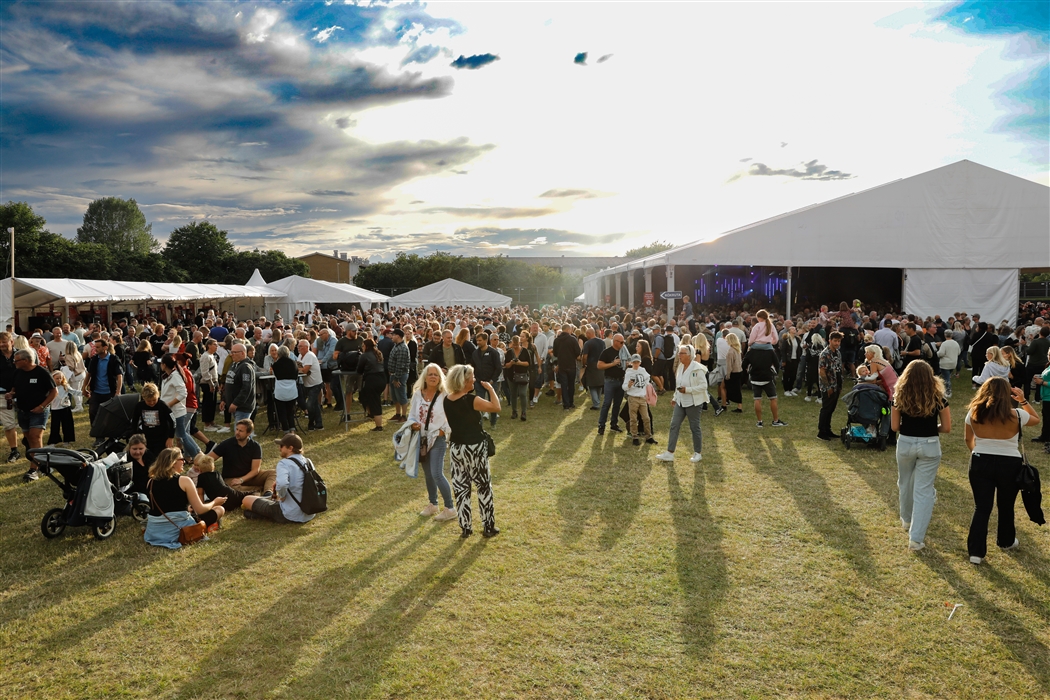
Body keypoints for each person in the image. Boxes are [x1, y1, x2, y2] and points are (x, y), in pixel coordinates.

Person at [964, 377, 1040, 564]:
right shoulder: (1017, 414)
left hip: (981, 460)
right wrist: (1023, 400)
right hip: (1010, 463)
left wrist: (978, 452)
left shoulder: (974, 412)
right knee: (1006, 506)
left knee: (981, 508)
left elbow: (968, 439)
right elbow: (1036, 419)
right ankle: (1005, 541)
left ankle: (976, 552)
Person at [891, 361, 951, 551]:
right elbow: (947, 427)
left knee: (905, 482)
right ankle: (916, 538)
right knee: (924, 490)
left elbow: (894, 427)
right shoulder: (938, 398)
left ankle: (907, 520)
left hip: (906, 442)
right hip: (930, 445)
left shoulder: (899, 396)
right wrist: (931, 428)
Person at [443, 364, 501, 538]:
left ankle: (465, 528)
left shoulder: (447, 399)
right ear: (465, 380)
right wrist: (491, 389)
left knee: (461, 488)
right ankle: (488, 526)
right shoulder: (471, 400)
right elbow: (496, 407)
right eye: (472, 377)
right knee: (483, 487)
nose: (474, 379)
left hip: (456, 447)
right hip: (474, 447)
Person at [144, 447, 226, 549]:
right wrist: (215, 502)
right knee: (219, 509)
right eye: (182, 459)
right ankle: (206, 527)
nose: (185, 462)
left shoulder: (150, 482)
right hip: (179, 529)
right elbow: (200, 510)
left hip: (154, 532)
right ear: (173, 462)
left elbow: (163, 504)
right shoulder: (184, 480)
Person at [410, 363, 456, 522]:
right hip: (421, 440)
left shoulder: (445, 395)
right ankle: (433, 504)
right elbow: (411, 416)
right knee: (428, 474)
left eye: (436, 374)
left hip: (438, 438)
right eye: (430, 374)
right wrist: (413, 424)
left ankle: (450, 508)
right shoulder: (417, 394)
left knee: (436, 473)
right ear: (424, 376)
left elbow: (453, 417)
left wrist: (445, 431)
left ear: (440, 377)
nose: (433, 377)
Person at [240, 433, 317, 523]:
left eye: (282, 446)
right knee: (268, 499)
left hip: (289, 514)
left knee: (246, 500)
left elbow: (283, 484)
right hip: (309, 513)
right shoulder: (308, 461)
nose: (279, 448)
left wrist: (282, 496)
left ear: (290, 448)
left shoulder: (284, 464)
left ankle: (261, 515)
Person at [655, 344, 707, 463]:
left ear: (689, 355)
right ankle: (669, 453)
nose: (679, 355)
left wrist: (688, 390)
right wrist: (675, 397)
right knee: (674, 425)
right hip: (680, 401)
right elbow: (678, 384)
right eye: (679, 353)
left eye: (681, 353)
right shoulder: (680, 367)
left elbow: (704, 386)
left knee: (694, 427)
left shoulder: (697, 368)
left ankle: (697, 453)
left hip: (693, 402)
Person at [11, 349, 57, 481]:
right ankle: (45, 464)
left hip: (39, 411)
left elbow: (54, 392)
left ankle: (33, 470)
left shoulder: (42, 372)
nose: (14, 363)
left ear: (26, 360)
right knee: (29, 441)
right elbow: (14, 388)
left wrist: (42, 406)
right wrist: (11, 394)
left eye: (16, 360)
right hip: (22, 411)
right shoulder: (17, 372)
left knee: (35, 437)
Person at [208, 419, 275, 495]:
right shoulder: (226, 444)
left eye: (241, 431)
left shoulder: (255, 446)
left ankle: (268, 493)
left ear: (248, 433)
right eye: (236, 429)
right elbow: (208, 459)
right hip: (231, 479)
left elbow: (255, 470)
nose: (237, 432)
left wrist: (242, 479)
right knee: (232, 488)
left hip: (249, 477)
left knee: (273, 473)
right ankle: (257, 489)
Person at [742, 334, 786, 428]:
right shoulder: (770, 351)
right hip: (767, 377)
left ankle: (759, 421)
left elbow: (744, 364)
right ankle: (775, 420)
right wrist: (775, 373)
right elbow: (777, 363)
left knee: (757, 399)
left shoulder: (751, 351)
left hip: (754, 377)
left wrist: (748, 370)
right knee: (773, 398)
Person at [159, 354, 197, 458]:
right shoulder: (168, 375)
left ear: (165, 365)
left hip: (176, 412)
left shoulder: (175, 376)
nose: (160, 365)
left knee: (182, 437)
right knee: (182, 436)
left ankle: (197, 456)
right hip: (171, 412)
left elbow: (183, 393)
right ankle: (197, 455)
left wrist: (168, 404)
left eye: (161, 363)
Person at [83, 338, 124, 427]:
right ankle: (98, 436)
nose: (95, 349)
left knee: (111, 415)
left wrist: (118, 392)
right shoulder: (94, 359)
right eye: (94, 347)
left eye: (97, 347)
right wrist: (84, 388)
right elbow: (88, 374)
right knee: (93, 412)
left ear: (105, 347)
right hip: (96, 392)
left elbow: (119, 376)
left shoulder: (113, 359)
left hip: (109, 392)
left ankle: (111, 435)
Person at [219, 343, 256, 431]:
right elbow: (229, 384)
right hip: (235, 405)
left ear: (243, 353)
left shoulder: (246, 367)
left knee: (241, 434)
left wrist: (236, 403)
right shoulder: (234, 365)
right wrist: (224, 399)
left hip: (242, 407)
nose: (232, 355)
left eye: (234, 352)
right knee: (241, 433)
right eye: (231, 352)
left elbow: (246, 388)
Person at [597, 333, 628, 435]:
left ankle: (614, 424)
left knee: (617, 404)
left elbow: (629, 360)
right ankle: (601, 425)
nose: (623, 344)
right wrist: (612, 364)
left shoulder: (624, 351)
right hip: (610, 380)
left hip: (621, 380)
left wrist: (628, 365)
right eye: (621, 342)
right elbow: (599, 365)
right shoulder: (607, 352)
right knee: (607, 403)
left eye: (624, 342)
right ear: (615, 342)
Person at [817, 332, 845, 441]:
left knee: (832, 408)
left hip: (836, 384)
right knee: (826, 408)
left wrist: (840, 384)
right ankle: (821, 431)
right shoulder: (825, 354)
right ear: (830, 341)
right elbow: (822, 371)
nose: (837, 343)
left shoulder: (838, 353)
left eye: (838, 341)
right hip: (828, 385)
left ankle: (827, 429)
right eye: (835, 341)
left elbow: (839, 369)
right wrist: (827, 387)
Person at [622, 354, 655, 445]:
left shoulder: (643, 370)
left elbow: (648, 378)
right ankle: (634, 436)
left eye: (637, 362)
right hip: (633, 398)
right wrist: (628, 385)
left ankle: (648, 436)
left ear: (640, 362)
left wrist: (647, 385)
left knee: (646, 418)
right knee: (633, 418)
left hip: (642, 397)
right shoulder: (629, 372)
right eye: (634, 362)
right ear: (631, 363)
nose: (636, 364)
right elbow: (624, 387)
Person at [357, 338, 387, 431]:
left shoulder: (364, 356)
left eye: (363, 346)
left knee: (375, 402)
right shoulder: (378, 353)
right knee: (369, 397)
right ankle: (371, 414)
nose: (362, 347)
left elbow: (359, 370)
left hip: (372, 379)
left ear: (366, 346)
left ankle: (379, 426)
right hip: (382, 378)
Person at [296, 339, 324, 431]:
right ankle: (319, 424)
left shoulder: (310, 356)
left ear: (306, 347)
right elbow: (299, 367)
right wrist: (299, 369)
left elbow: (304, 370)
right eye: (298, 346)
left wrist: (299, 369)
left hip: (315, 383)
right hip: (307, 384)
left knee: (310, 404)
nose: (298, 348)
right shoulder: (300, 356)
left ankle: (311, 423)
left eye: (300, 346)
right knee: (314, 404)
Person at [271, 345, 299, 433]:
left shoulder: (276, 365)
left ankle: (285, 429)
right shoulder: (293, 363)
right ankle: (292, 429)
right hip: (292, 389)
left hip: (280, 390)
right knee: (291, 411)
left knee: (281, 411)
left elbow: (275, 375)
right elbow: (296, 376)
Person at [503, 335, 532, 421]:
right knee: (513, 394)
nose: (515, 346)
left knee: (523, 394)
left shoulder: (525, 351)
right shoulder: (509, 352)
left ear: (520, 343)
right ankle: (514, 411)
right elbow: (506, 365)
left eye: (517, 344)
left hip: (523, 375)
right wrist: (511, 363)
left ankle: (523, 412)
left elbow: (528, 363)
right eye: (514, 344)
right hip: (511, 376)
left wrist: (520, 363)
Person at [553, 323, 580, 409]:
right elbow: (578, 352)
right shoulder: (573, 339)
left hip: (562, 365)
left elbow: (555, 353)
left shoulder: (557, 340)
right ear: (568, 330)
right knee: (571, 384)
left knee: (564, 385)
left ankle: (566, 404)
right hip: (571, 365)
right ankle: (571, 402)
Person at [387, 328, 411, 422]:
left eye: (393, 335)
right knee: (395, 396)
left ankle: (404, 416)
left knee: (401, 395)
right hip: (394, 374)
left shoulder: (402, 348)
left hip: (399, 375)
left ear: (398, 336)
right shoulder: (396, 345)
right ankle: (397, 414)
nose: (391, 337)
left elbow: (400, 365)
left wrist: (396, 379)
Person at [47, 369, 74, 446]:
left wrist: (83, 393)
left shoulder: (65, 386)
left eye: (60, 378)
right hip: (55, 409)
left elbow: (73, 391)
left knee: (67, 424)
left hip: (65, 407)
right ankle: (54, 440)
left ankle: (67, 440)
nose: (59, 380)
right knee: (55, 426)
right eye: (57, 378)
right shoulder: (50, 388)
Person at [581, 326, 606, 410]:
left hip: (592, 365)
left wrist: (584, 364)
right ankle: (597, 401)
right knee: (599, 384)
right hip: (601, 364)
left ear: (588, 334)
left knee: (591, 385)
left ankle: (596, 404)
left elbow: (585, 356)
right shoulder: (602, 342)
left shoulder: (588, 343)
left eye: (586, 334)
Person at [198, 339, 220, 431]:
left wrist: (216, 383)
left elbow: (214, 371)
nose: (216, 346)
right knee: (207, 403)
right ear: (209, 345)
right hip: (207, 383)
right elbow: (205, 372)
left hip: (213, 382)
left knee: (212, 403)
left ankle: (211, 421)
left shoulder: (212, 356)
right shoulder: (205, 356)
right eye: (214, 344)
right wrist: (211, 383)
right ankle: (207, 424)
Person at [61, 341, 86, 411]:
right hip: (82, 373)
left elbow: (71, 367)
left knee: (75, 391)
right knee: (79, 390)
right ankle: (80, 405)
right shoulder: (78, 354)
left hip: (76, 375)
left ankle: (79, 406)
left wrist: (64, 367)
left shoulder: (68, 356)